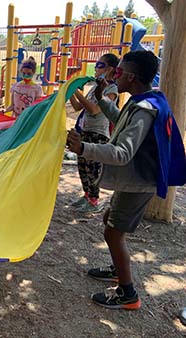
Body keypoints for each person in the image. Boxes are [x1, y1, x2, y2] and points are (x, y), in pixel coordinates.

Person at [67, 50, 186, 310]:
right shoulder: (144, 99)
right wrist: (102, 99)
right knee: (110, 218)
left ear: (131, 77)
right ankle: (116, 269)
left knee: (112, 232)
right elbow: (123, 121)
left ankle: (128, 293)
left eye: (117, 72)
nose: (112, 76)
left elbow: (122, 153)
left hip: (139, 182)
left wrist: (83, 148)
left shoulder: (145, 109)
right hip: (136, 179)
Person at [69, 53, 119, 213]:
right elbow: (78, 107)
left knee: (93, 168)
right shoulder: (94, 88)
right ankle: (86, 195)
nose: (96, 68)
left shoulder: (112, 89)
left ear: (110, 69)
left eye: (99, 65)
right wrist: (70, 92)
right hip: (85, 130)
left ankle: (94, 199)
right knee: (83, 166)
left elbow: (95, 109)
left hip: (98, 134)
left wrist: (77, 92)